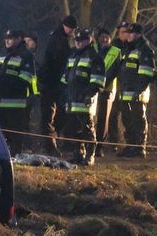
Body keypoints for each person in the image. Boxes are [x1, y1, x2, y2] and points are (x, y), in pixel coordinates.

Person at [61, 28, 106, 165]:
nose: (79, 43)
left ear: (89, 41)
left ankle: (90, 155)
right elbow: (66, 78)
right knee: (74, 130)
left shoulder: (94, 57)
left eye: (82, 41)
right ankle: (78, 154)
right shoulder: (73, 56)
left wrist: (88, 95)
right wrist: (64, 95)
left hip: (85, 100)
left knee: (87, 129)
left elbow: (97, 81)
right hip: (72, 99)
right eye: (77, 41)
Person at [115, 22, 156, 157]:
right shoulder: (128, 49)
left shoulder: (144, 50)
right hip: (126, 92)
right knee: (127, 120)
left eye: (131, 33)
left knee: (138, 120)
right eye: (128, 33)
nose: (128, 35)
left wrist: (139, 91)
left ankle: (139, 148)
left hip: (138, 93)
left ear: (138, 34)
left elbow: (146, 73)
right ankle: (130, 146)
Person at [38, 15, 77, 155]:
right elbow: (55, 61)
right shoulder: (59, 39)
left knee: (58, 114)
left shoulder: (57, 37)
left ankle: (50, 142)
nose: (72, 31)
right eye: (71, 28)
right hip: (51, 83)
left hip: (54, 83)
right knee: (49, 115)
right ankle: (49, 145)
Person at [0, 30, 35, 153]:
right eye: (6, 38)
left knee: (15, 131)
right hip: (0, 100)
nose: (7, 41)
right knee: (0, 131)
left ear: (18, 39)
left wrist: (8, 86)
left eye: (10, 38)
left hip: (15, 101)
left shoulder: (26, 55)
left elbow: (26, 78)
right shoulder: (2, 53)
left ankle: (15, 153)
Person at [92, 26, 117, 153]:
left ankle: (99, 146)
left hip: (107, 90)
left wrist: (102, 85)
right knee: (92, 117)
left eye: (107, 37)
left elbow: (113, 71)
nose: (105, 39)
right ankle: (90, 142)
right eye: (102, 37)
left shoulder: (116, 51)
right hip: (92, 88)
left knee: (103, 118)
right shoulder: (93, 49)